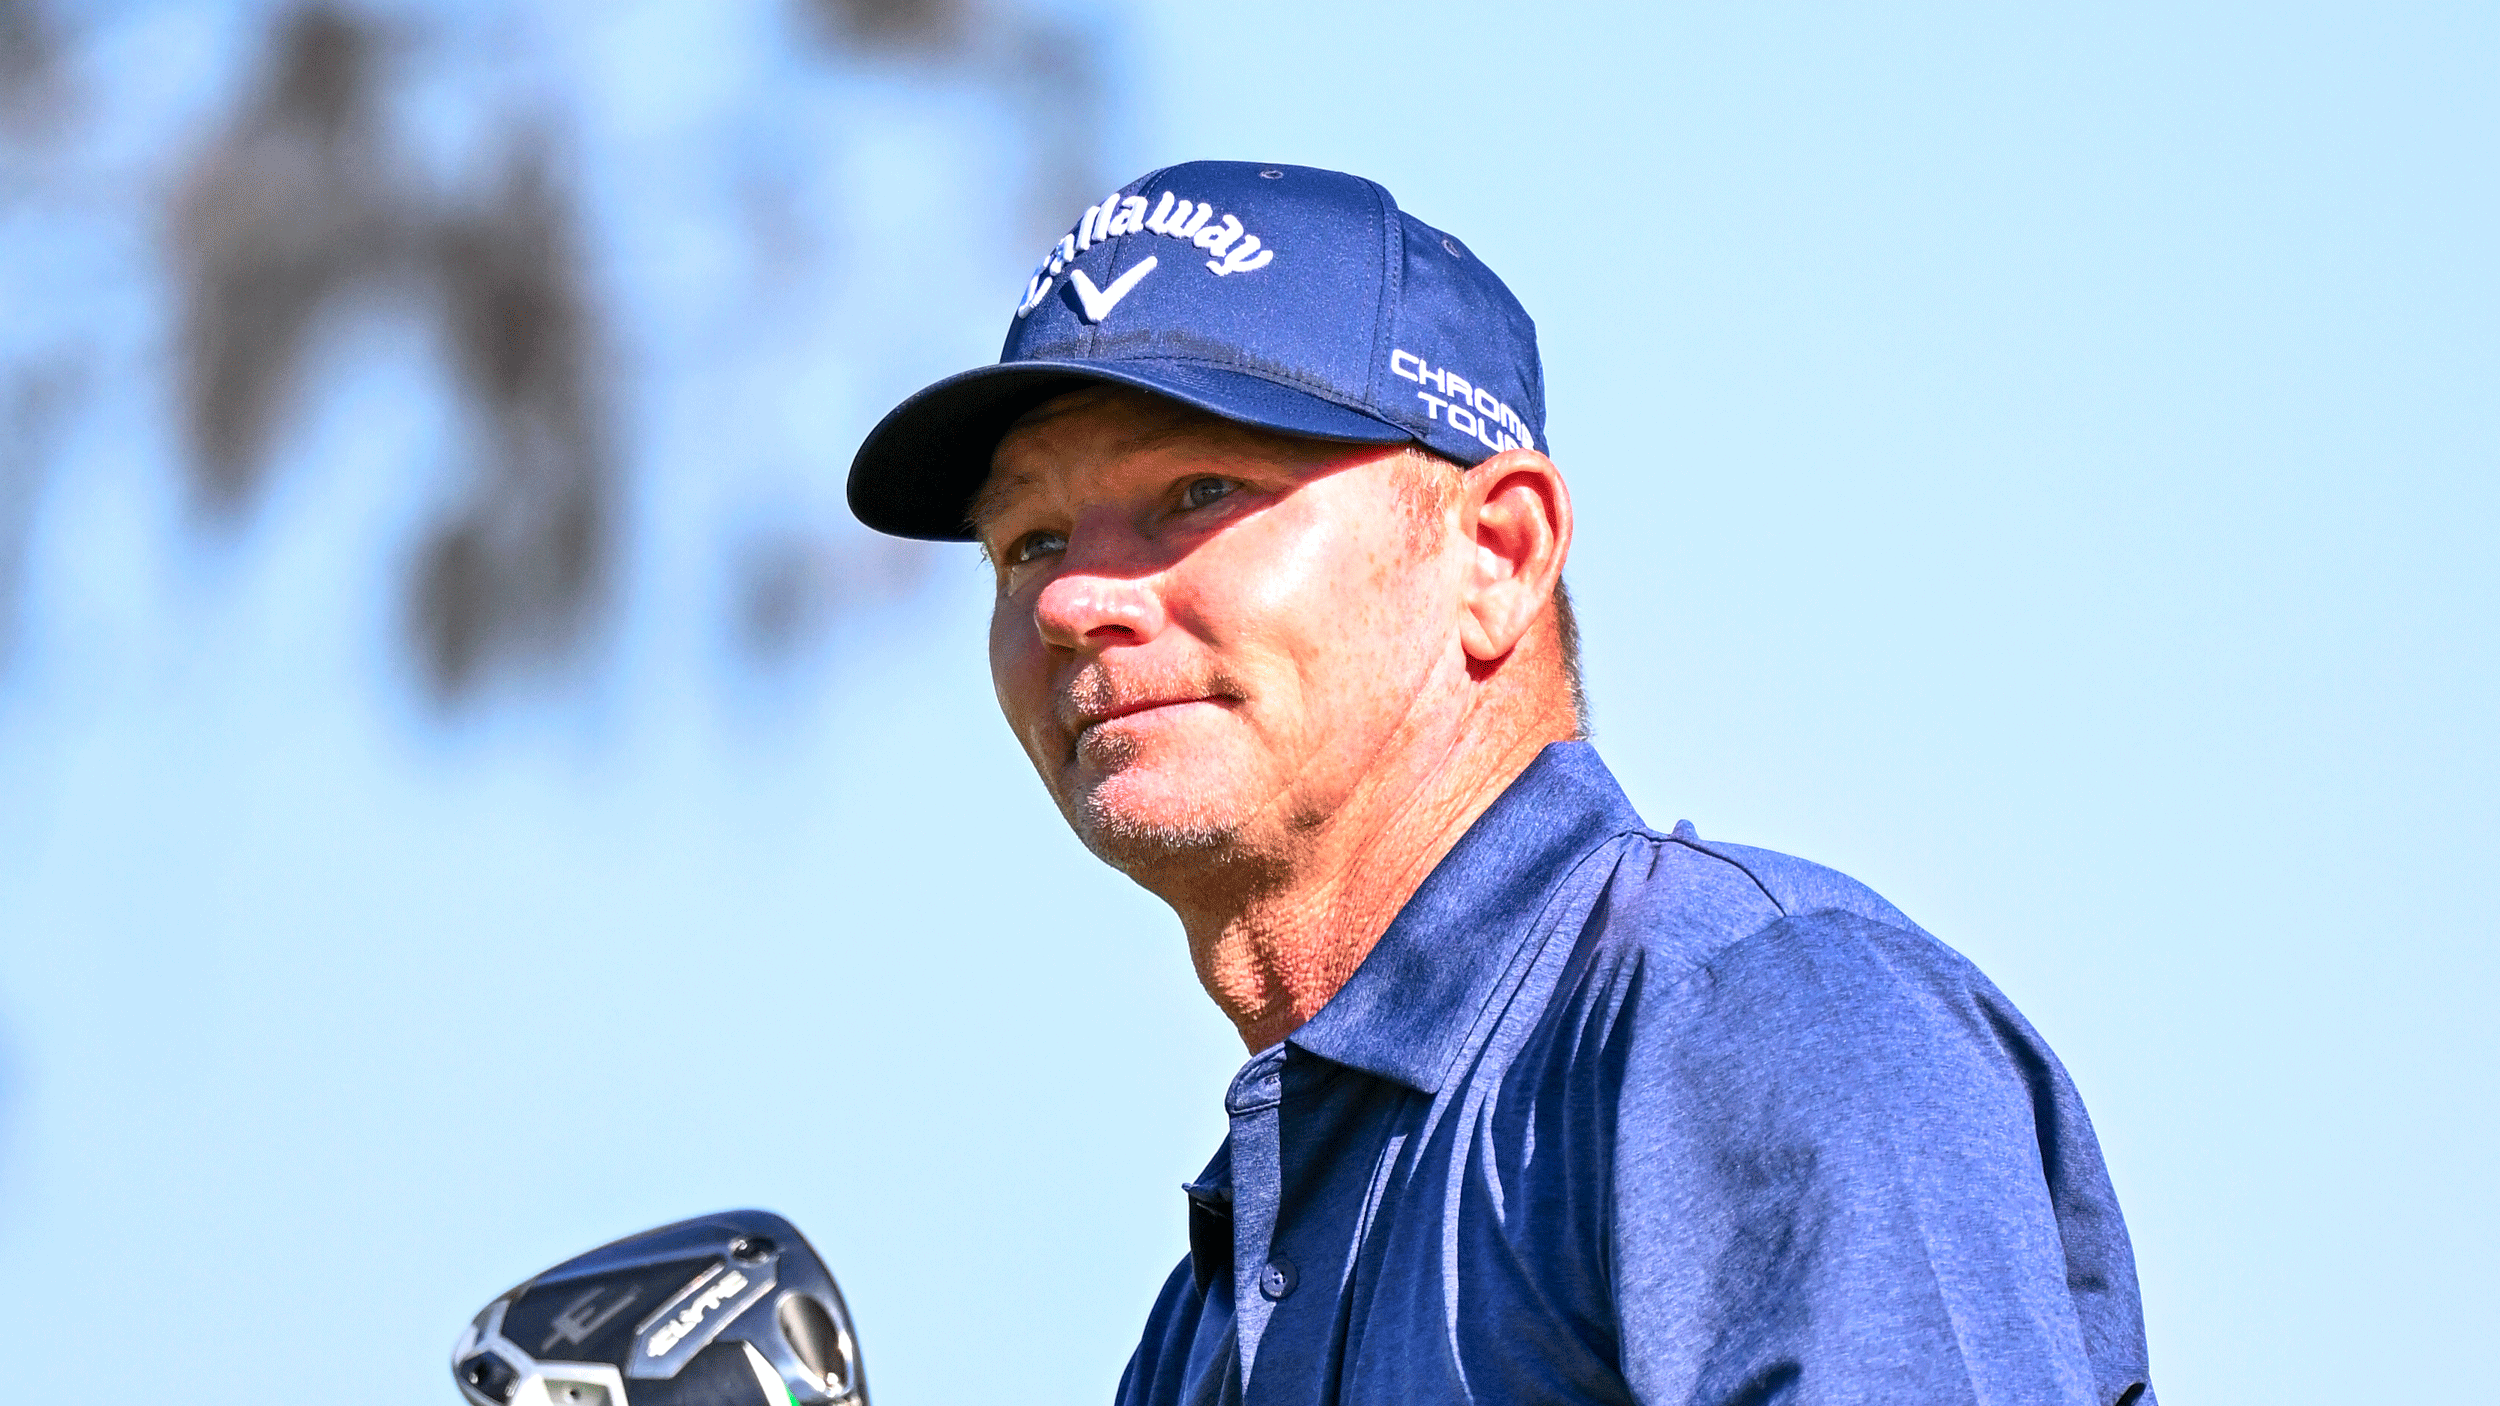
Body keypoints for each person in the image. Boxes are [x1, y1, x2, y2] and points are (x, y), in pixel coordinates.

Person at [846, 161, 2156, 1406]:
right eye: (1028, 542)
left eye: (1196, 489)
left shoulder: (1750, 1018)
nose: (1075, 599)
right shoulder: (1217, 1301)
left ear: (1497, 554)